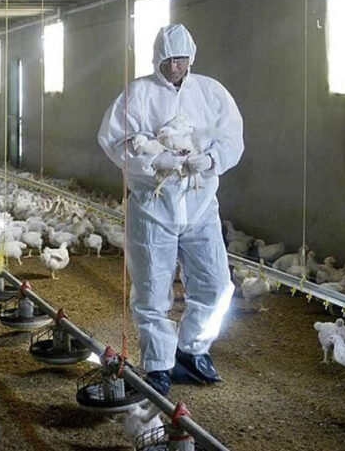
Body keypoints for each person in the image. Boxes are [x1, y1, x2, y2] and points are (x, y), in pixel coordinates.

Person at [96, 23, 244, 396]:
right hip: (153, 205)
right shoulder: (137, 93)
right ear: (156, 59)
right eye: (168, 60)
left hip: (199, 203)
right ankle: (158, 364)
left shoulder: (211, 92)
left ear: (191, 57)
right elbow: (113, 139)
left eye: (180, 59)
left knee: (216, 284)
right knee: (151, 290)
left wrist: (210, 161)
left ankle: (192, 350)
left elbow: (232, 138)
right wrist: (152, 162)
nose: (175, 66)